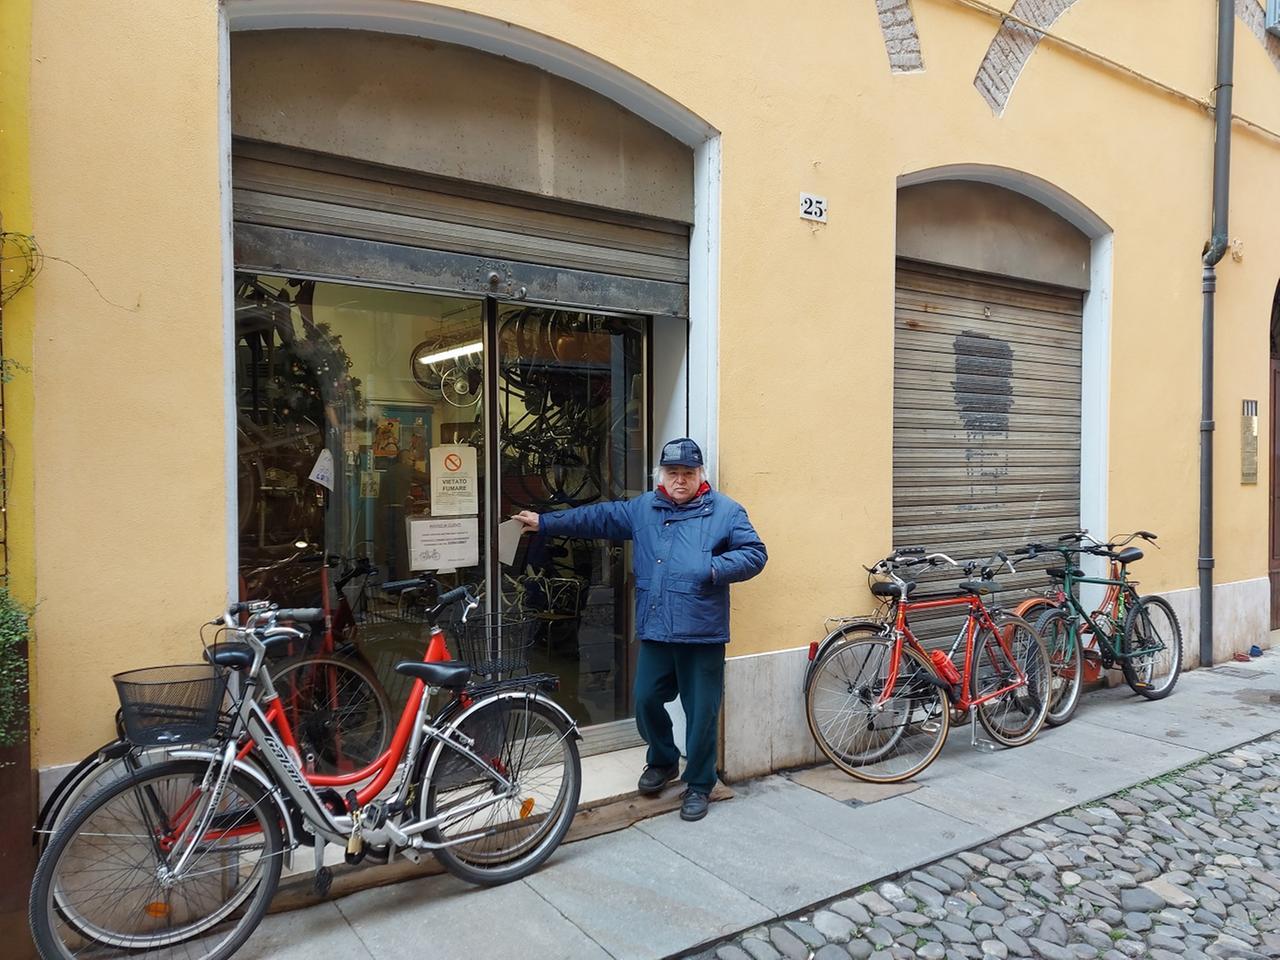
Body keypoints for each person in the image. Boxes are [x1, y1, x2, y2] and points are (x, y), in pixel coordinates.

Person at [512, 438, 766, 821]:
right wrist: (545, 522)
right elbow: (595, 519)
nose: (680, 480)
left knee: (701, 714)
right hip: (657, 625)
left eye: (688, 473)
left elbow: (754, 554)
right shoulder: (644, 508)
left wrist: (714, 569)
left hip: (701, 631)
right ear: (661, 475)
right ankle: (663, 761)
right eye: (673, 473)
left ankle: (700, 783)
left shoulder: (726, 512)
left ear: (701, 475)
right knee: (645, 698)